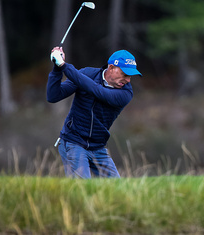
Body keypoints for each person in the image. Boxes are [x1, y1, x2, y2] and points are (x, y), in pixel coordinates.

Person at [47, 47, 142, 178]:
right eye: (125, 74)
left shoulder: (125, 93)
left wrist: (64, 66)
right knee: (82, 190)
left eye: (130, 76)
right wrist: (57, 68)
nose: (128, 80)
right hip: (73, 142)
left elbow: (97, 91)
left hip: (98, 148)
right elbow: (53, 96)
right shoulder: (87, 74)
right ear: (111, 67)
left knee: (118, 191)